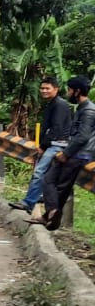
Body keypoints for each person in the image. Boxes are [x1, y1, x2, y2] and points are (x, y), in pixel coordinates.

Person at [33, 77, 95, 230]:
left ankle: (52, 213)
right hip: (75, 153)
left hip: (79, 155)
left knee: (50, 181)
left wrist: (66, 154)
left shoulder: (88, 111)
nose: (67, 93)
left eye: (69, 90)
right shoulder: (82, 108)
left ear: (77, 91)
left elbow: (82, 137)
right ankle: (51, 215)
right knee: (57, 185)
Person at [12, 77, 73, 215]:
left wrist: (43, 146)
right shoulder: (51, 104)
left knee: (39, 172)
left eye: (47, 88)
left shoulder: (60, 105)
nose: (44, 91)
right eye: (42, 88)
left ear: (56, 89)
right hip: (53, 143)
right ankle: (36, 198)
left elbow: (56, 128)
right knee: (46, 175)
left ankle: (28, 203)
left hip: (58, 145)